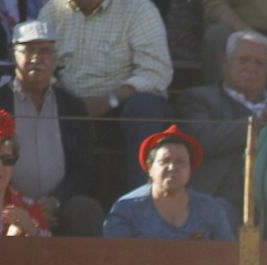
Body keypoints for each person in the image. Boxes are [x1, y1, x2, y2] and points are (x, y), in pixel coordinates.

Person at [0, 20, 103, 236]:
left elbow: (84, 168)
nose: (36, 58)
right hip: (5, 204)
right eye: (28, 50)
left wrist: (55, 201)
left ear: (55, 57)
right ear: (13, 54)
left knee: (85, 209)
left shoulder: (73, 106)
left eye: (44, 51)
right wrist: (20, 203)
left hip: (58, 208)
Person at [178, 30, 267, 235]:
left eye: (259, 62)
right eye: (243, 60)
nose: (251, 67)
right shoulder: (200, 98)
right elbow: (205, 140)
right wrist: (258, 123)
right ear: (226, 61)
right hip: (228, 198)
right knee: (217, 215)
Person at [38, 0, 172, 185]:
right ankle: (47, 196)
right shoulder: (53, 10)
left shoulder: (139, 9)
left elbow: (156, 71)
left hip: (119, 106)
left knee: (145, 105)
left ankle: (145, 192)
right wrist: (66, 100)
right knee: (33, 97)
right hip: (67, 107)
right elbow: (37, 65)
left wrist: (108, 101)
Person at [103, 124, 236, 238]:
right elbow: (113, 255)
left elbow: (226, 254)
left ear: (190, 169)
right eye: (165, 161)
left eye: (180, 162)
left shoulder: (210, 209)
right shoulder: (127, 208)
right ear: (149, 168)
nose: (172, 167)